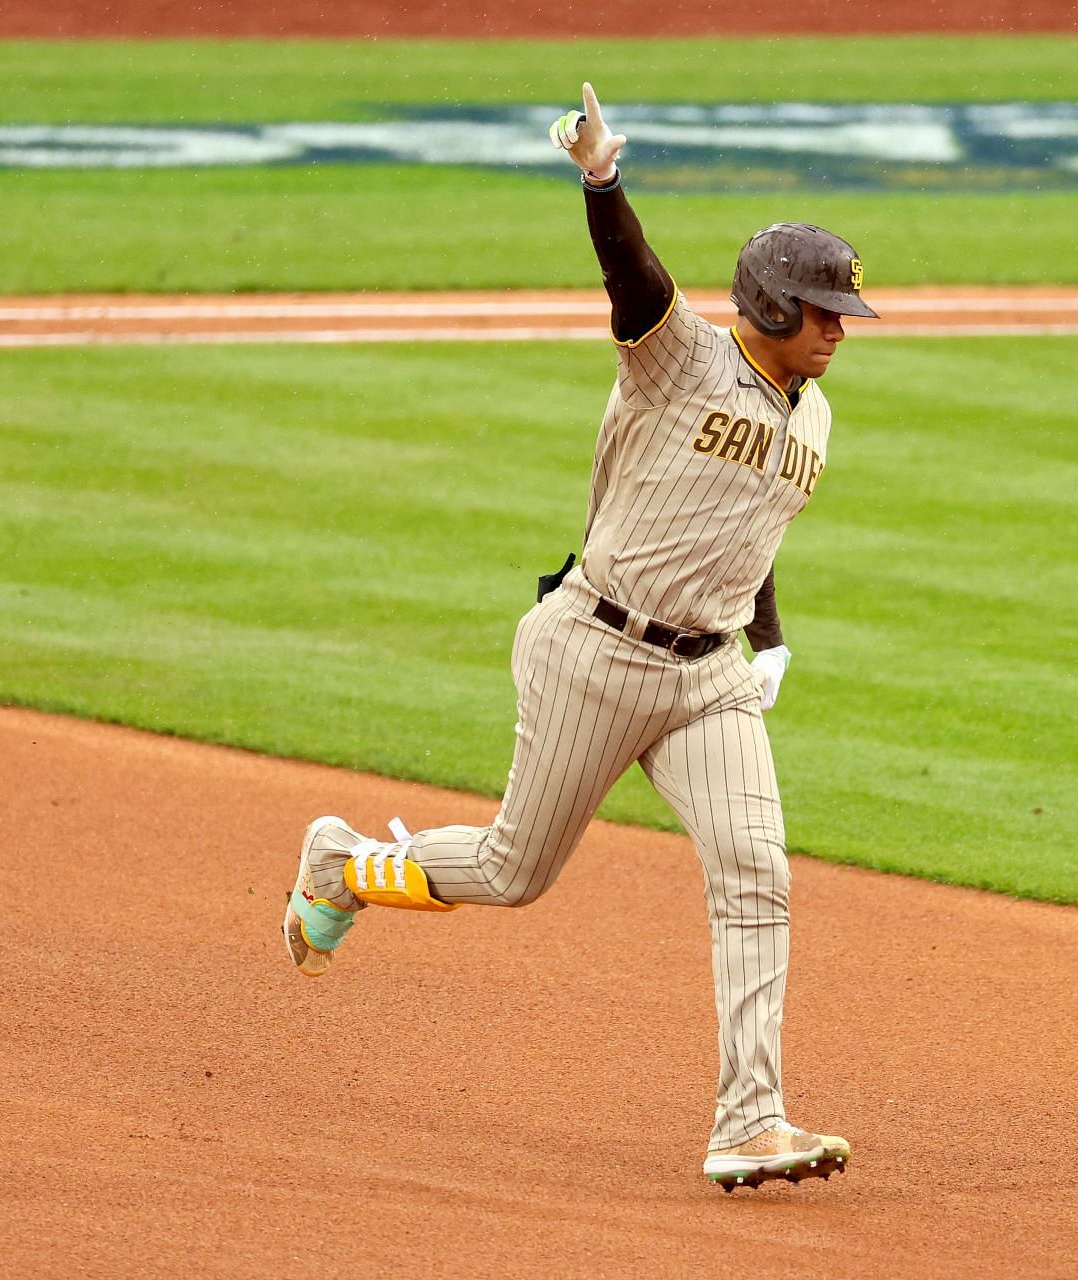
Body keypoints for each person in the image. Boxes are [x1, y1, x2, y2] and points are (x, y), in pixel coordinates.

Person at [281, 82, 877, 1191]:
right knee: (514, 871)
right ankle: (346, 863)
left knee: (757, 871)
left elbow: (748, 519)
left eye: (844, 312)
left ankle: (750, 1119)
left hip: (710, 677)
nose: (841, 330)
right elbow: (634, 279)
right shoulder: (678, 355)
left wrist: (770, 636)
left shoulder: (818, 412)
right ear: (767, 305)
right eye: (822, 310)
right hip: (593, 650)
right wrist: (603, 182)